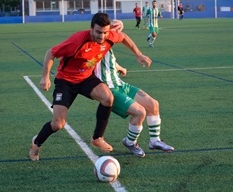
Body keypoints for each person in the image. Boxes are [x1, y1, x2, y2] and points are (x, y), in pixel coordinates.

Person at [29, 13, 152, 161]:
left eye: (105, 32)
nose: (102, 36)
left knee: (108, 98)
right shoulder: (77, 41)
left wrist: (138, 54)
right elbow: (51, 53)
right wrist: (45, 76)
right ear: (91, 29)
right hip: (66, 81)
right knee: (58, 124)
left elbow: (124, 37)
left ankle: (97, 138)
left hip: (86, 77)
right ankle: (36, 143)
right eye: (98, 32)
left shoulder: (109, 36)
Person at [94, 49, 174, 157]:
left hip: (121, 85)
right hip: (109, 91)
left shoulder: (108, 42)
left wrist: (120, 68)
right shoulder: (92, 45)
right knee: (140, 112)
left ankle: (155, 141)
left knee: (153, 104)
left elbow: (108, 61)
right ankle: (130, 142)